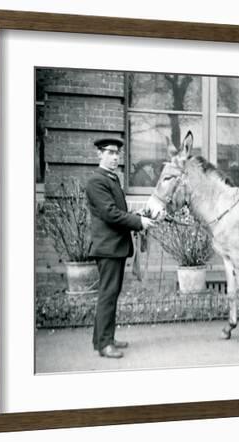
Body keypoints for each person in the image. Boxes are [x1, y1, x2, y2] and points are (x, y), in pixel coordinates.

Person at [85, 137, 156, 358]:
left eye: (117, 153)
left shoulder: (111, 179)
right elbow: (110, 214)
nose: (115, 157)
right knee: (108, 295)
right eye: (110, 152)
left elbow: (117, 211)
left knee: (110, 294)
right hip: (108, 248)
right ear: (99, 154)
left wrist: (140, 217)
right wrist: (138, 223)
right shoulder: (97, 181)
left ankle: (103, 339)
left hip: (113, 247)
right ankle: (105, 344)